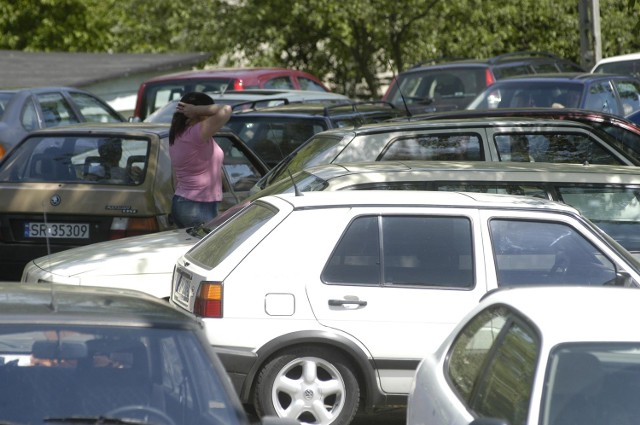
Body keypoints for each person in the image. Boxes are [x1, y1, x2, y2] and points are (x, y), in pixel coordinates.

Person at [169, 92, 232, 228]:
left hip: (186, 202)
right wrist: (195, 110)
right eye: (208, 111)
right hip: (196, 205)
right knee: (212, 249)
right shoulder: (195, 134)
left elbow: (176, 178)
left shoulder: (180, 133)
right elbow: (226, 109)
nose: (210, 116)